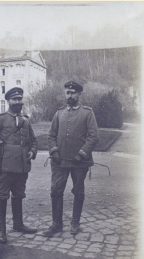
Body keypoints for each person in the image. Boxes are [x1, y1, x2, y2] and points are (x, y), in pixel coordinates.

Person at [43, 81, 99, 237]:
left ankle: (75, 223)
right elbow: (51, 135)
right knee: (55, 191)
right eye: (67, 92)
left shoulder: (88, 113)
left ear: (79, 94)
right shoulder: (59, 113)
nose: (70, 95)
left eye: (73, 93)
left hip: (79, 162)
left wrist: (81, 154)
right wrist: (53, 151)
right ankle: (56, 225)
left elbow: (93, 137)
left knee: (78, 191)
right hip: (59, 161)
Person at [0, 87, 38, 244]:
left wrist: (32, 152)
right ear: (8, 101)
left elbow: (34, 141)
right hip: (4, 168)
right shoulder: (0, 119)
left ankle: (18, 224)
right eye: (14, 99)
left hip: (21, 167)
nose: (18, 102)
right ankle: (1, 231)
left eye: (20, 99)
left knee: (19, 195)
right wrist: (1, 155)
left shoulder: (26, 120)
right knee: (2, 196)